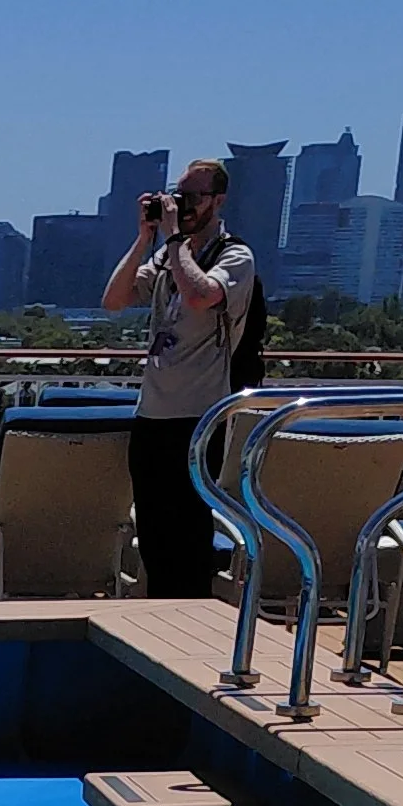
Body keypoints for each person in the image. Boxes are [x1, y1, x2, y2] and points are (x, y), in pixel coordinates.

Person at [101, 161, 258, 596]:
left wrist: (174, 241)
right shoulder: (169, 254)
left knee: (188, 535)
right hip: (152, 413)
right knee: (153, 533)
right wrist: (144, 238)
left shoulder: (234, 255)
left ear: (218, 201)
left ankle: (190, 622)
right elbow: (114, 300)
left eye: (193, 198)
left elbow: (202, 295)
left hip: (198, 418)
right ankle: (158, 616)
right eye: (179, 196)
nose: (183, 206)